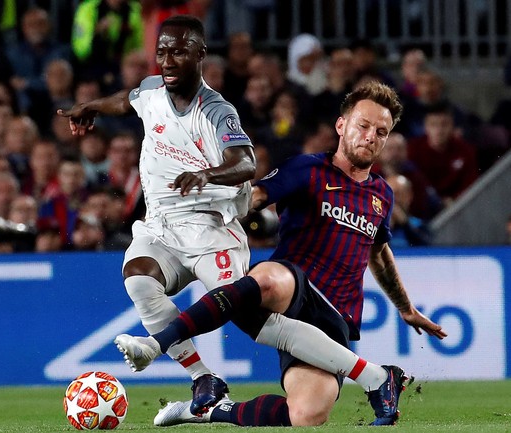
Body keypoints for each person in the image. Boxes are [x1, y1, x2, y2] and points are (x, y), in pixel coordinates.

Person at [113, 81, 447, 427]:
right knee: (268, 279)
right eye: (363, 125)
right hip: (294, 290)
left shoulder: (382, 195)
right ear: (342, 125)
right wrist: (240, 208)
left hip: (335, 315)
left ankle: (211, 410)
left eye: (381, 131)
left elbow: (378, 253)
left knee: (307, 414)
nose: (370, 136)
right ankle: (157, 345)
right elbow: (256, 197)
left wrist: (406, 309)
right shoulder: (307, 169)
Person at [58, 15, 256, 416]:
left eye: (178, 51)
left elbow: (245, 162)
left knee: (254, 319)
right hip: (162, 228)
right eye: (161, 52)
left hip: (211, 229)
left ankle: (355, 367)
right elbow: (127, 99)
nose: (167, 60)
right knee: (138, 278)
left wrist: (206, 173)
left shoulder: (216, 110)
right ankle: (203, 378)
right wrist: (90, 107)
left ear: (200, 54)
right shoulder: (152, 91)